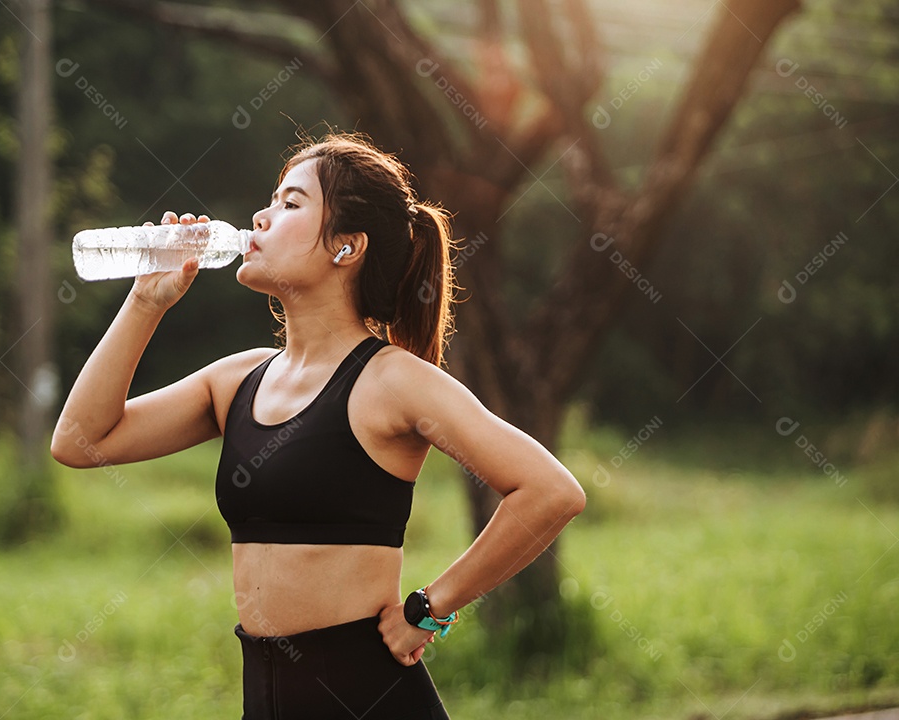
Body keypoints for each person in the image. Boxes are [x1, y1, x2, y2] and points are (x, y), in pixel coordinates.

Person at [51, 133, 585, 719]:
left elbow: (550, 492)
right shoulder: (237, 381)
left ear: (346, 247)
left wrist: (430, 608)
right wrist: (145, 304)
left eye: (291, 203)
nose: (261, 214)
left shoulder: (392, 382)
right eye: (272, 200)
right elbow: (81, 441)